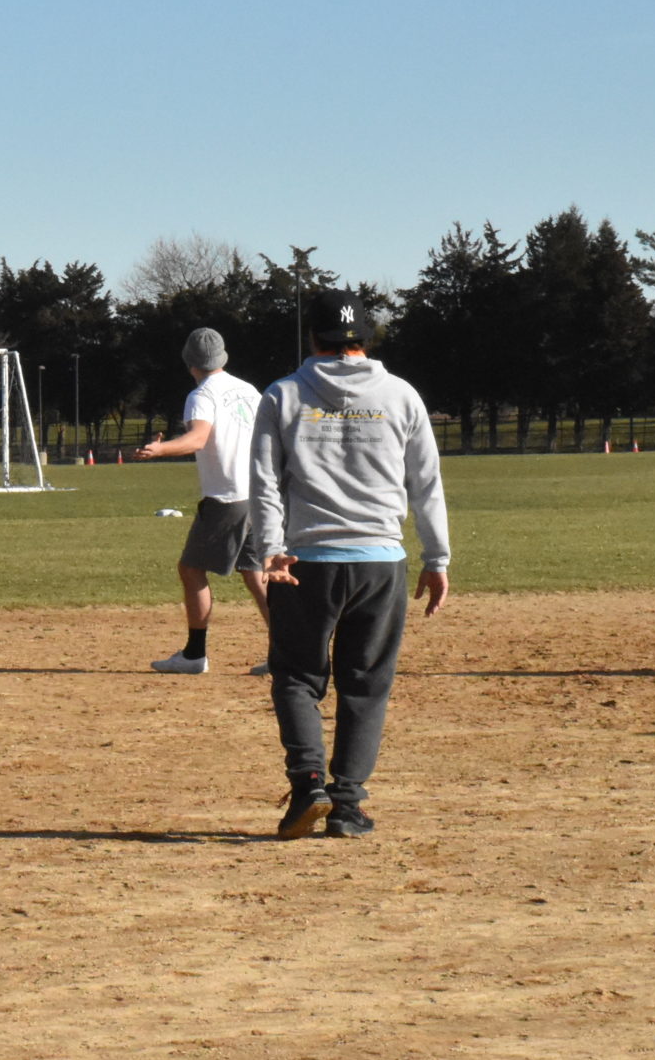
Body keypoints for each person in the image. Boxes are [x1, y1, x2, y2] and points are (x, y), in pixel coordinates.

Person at [248, 290, 450, 839]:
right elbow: (425, 484)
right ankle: (347, 805)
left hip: (303, 559)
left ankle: (307, 782)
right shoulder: (401, 395)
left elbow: (264, 483)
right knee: (364, 684)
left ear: (313, 339)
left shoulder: (283, 395)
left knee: (296, 676)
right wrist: (437, 557)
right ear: (365, 338)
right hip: (381, 562)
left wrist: (270, 549)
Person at [134, 327, 269, 675]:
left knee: (191, 569)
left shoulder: (202, 394)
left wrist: (159, 448)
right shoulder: (248, 390)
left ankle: (195, 655)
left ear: (189, 362)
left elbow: (197, 438)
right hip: (260, 493)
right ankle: (290, 652)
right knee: (256, 575)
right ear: (223, 357)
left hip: (228, 497)